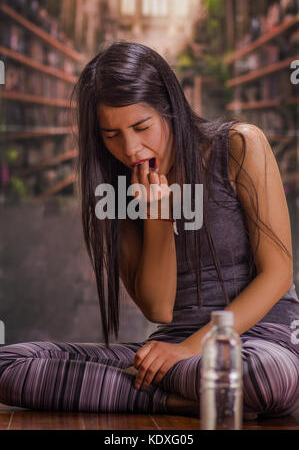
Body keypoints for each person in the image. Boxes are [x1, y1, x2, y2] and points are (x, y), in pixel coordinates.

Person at [0, 41, 298, 419]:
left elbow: (278, 273)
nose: (131, 148)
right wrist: (157, 216)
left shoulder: (239, 146)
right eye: (111, 135)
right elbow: (159, 308)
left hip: (256, 342)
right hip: (174, 356)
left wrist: (191, 349)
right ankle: (192, 399)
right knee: (9, 364)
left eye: (142, 127)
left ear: (169, 109)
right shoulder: (117, 190)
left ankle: (152, 393)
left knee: (267, 378)